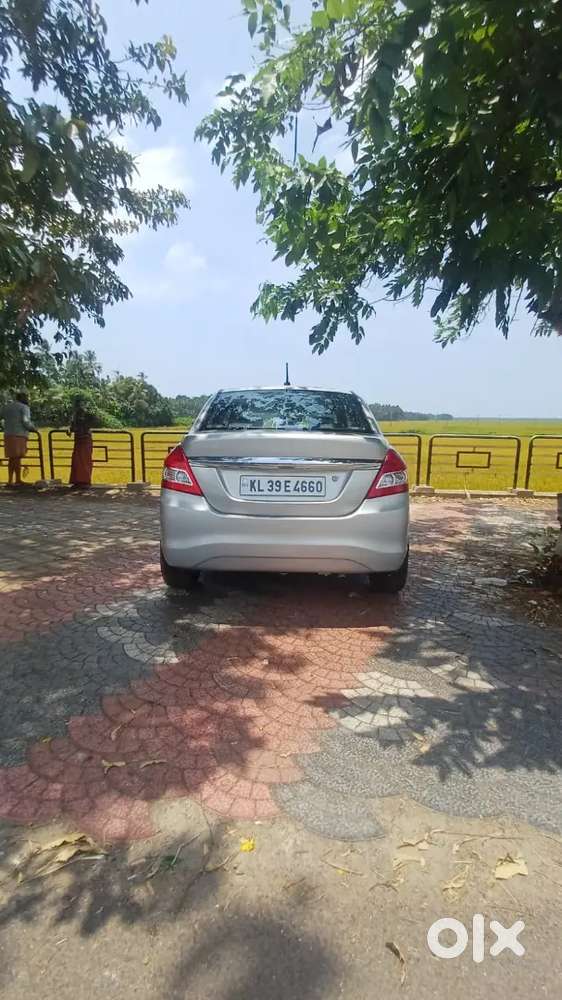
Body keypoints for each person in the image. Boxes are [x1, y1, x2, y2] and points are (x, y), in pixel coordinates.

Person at [2, 392, 35, 486]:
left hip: (8, 434)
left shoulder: (7, 407)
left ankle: (10, 480)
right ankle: (17, 479)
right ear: (23, 398)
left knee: (12, 458)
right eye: (27, 397)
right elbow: (26, 421)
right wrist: (33, 428)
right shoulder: (24, 407)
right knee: (17, 457)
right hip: (19, 434)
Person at [68, 397, 97, 487]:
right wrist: (70, 429)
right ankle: (78, 480)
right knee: (77, 460)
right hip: (79, 440)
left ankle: (84, 481)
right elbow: (72, 426)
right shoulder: (75, 415)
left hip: (84, 439)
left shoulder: (87, 414)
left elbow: (92, 422)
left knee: (84, 460)